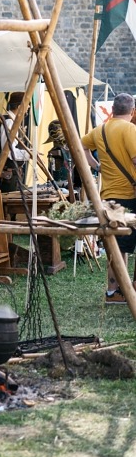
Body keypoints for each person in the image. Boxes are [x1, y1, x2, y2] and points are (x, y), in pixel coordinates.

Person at [81, 92, 136, 305]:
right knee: (122, 245)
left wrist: (98, 167)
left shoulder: (100, 130)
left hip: (109, 195)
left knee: (117, 245)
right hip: (129, 195)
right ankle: (117, 292)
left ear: (112, 110)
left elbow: (82, 146)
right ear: (132, 111)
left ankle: (115, 291)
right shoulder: (130, 129)